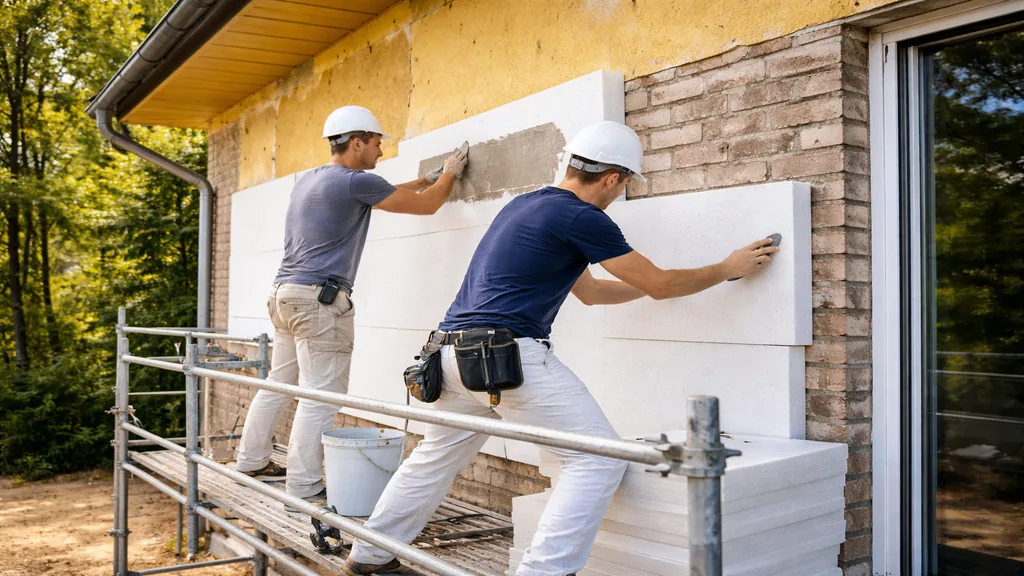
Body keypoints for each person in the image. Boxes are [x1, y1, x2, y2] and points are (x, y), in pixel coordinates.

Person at [342, 120, 780, 575]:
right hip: (503, 357)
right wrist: (726, 267)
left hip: (449, 357)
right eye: (624, 183)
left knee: (433, 460)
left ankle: (368, 557)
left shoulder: (526, 206)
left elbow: (590, 292)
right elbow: (661, 283)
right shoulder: (582, 217)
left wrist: (648, 289)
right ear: (613, 178)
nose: (620, 193)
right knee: (598, 457)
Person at [233, 105, 469, 509]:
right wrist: (449, 171)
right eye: (377, 144)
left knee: (279, 383)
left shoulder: (314, 179)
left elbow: (383, 192)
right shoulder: (355, 182)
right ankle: (304, 487)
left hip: (284, 295)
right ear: (356, 142)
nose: (380, 151)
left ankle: (250, 460)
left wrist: (423, 178)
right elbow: (429, 204)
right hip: (318, 303)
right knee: (320, 395)